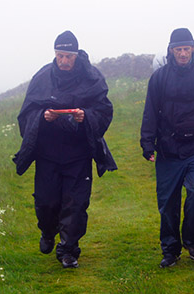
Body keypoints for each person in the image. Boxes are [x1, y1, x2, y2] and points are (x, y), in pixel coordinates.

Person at [13, 30, 116, 269]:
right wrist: (42, 116)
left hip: (78, 154)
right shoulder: (42, 78)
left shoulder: (93, 79)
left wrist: (85, 116)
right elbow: (26, 114)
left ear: (76, 55)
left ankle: (69, 250)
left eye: (68, 56)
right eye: (60, 55)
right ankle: (48, 232)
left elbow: (104, 112)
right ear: (55, 55)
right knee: (46, 203)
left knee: (76, 204)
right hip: (48, 154)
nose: (64, 61)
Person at [140, 28, 194, 268]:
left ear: (193, 48)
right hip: (168, 150)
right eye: (178, 49)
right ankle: (170, 250)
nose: (182, 54)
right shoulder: (159, 78)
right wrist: (147, 143)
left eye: (186, 49)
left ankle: (192, 241)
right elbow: (150, 113)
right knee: (168, 203)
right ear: (171, 50)